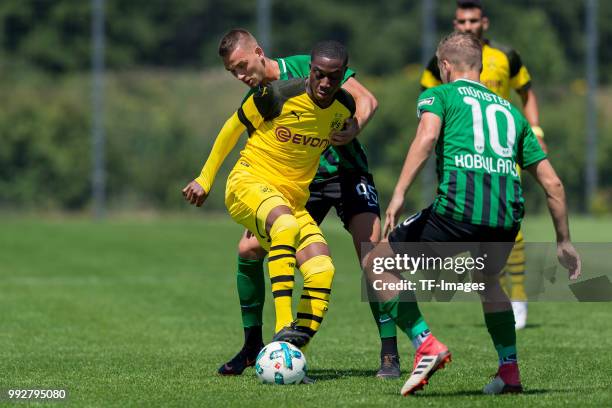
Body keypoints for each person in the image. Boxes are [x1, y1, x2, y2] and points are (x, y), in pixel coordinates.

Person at [364, 32, 580, 395]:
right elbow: (553, 185)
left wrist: (399, 192)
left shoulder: (440, 95)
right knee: (487, 280)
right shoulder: (513, 114)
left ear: (444, 66)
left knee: (377, 263)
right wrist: (564, 241)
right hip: (506, 220)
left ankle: (425, 344)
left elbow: (427, 136)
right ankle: (509, 372)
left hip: (457, 213)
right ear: (480, 67)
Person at [215, 29, 401, 378]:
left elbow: (367, 100)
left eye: (242, 66)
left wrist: (355, 127)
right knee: (249, 249)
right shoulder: (263, 96)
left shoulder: (307, 66)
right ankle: (256, 346)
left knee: (373, 253)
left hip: (346, 173)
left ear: (258, 52)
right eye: (232, 72)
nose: (240, 76)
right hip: (301, 185)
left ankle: (390, 354)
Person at [183, 40, 357, 375]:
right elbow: (231, 129)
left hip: (292, 200)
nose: (324, 83)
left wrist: (354, 127)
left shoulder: (343, 107)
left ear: (341, 77)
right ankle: (281, 328)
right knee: (285, 227)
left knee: (322, 268)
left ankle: (288, 352)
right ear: (310, 70)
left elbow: (349, 119)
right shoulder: (277, 95)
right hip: (248, 183)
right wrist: (205, 179)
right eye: (319, 75)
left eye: (333, 78)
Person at [420, 0, 548, 329]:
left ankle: (516, 297)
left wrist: (535, 130)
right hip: (463, 153)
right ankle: (485, 286)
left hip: (502, 148)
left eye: (473, 20)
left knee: (511, 229)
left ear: (484, 23)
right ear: (455, 22)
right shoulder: (443, 61)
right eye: (461, 20)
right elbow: (426, 101)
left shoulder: (506, 56)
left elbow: (527, 92)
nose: (467, 26)